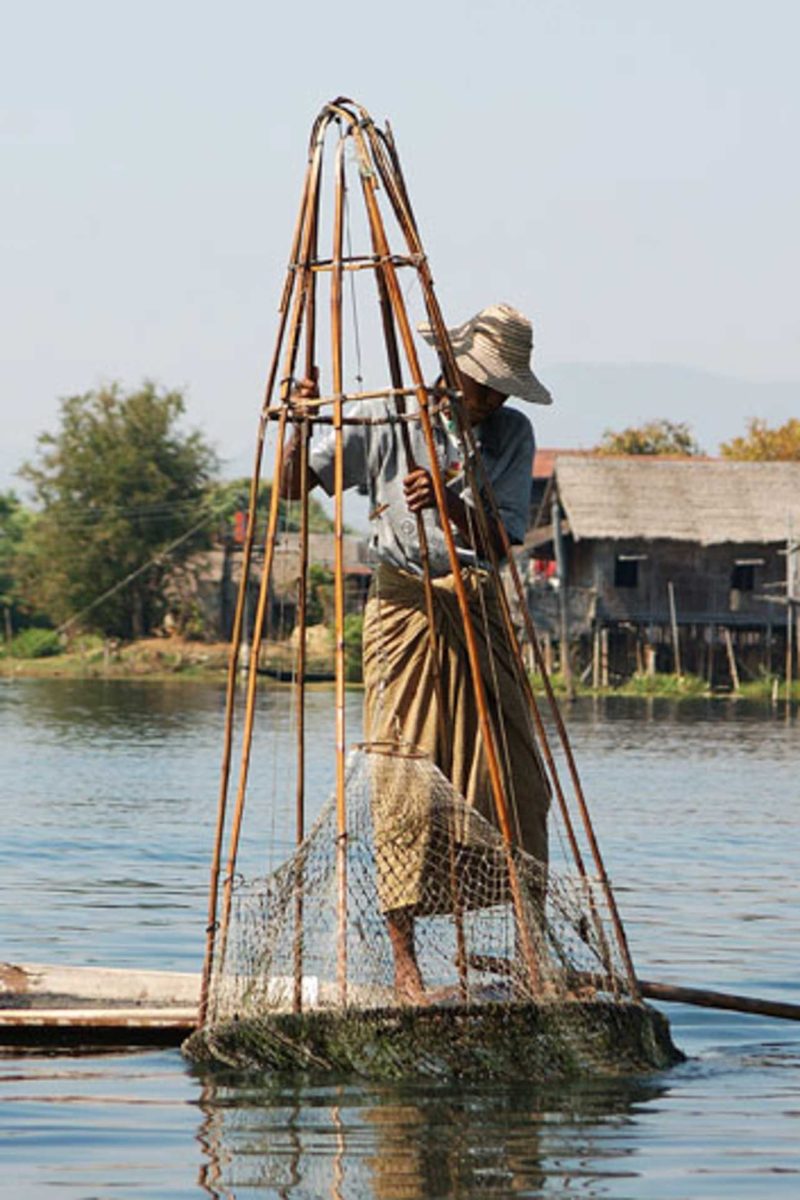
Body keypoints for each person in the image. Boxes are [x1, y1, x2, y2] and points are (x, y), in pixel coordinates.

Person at [281, 303, 553, 1001]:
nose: (490, 397)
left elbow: (500, 541)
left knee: (518, 778)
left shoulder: (511, 434)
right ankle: (406, 971)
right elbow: (291, 484)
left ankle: (530, 955)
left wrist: (454, 504)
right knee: (401, 783)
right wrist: (301, 421)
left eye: (500, 388)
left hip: (478, 603)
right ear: (450, 367)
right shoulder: (391, 420)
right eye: (482, 382)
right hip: (401, 607)